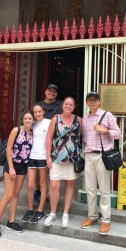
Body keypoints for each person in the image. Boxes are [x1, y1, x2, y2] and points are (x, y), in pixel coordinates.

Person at [81, 91, 122, 235]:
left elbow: (118, 133)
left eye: (95, 99)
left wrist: (104, 130)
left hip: (102, 156)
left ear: (99, 101)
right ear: (87, 102)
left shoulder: (107, 115)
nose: (92, 102)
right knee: (90, 188)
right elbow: (85, 138)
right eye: (89, 100)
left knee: (104, 189)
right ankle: (92, 216)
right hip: (89, 156)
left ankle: (106, 220)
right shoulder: (85, 119)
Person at [0, 111, 34, 238]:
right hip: (12, 164)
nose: (27, 120)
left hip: (23, 166)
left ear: (33, 120)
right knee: (8, 194)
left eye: (30, 118)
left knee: (16, 193)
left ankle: (11, 221)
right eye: (26, 118)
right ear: (22, 119)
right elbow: (9, 148)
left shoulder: (32, 133)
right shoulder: (16, 130)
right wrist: (10, 167)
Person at [44, 97, 82, 228]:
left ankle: (65, 214)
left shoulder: (79, 120)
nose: (68, 106)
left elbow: (83, 137)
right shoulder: (55, 119)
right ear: (62, 105)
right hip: (56, 156)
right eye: (66, 103)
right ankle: (53, 213)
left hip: (72, 158)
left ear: (74, 107)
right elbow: (49, 138)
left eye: (71, 104)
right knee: (54, 185)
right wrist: (48, 156)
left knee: (70, 183)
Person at [33, 84, 63, 205]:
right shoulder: (38, 105)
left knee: (53, 169)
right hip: (39, 142)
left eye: (54, 91)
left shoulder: (61, 105)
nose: (51, 93)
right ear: (45, 92)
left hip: (56, 142)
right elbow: (33, 120)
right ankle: (37, 192)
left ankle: (51, 193)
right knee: (38, 170)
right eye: (49, 91)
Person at [22, 104, 50, 223]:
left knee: (43, 183)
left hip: (43, 156)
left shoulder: (49, 122)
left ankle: (40, 210)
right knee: (30, 185)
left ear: (43, 111)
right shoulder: (32, 124)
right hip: (31, 156)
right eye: (35, 112)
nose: (37, 114)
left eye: (39, 111)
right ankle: (30, 209)